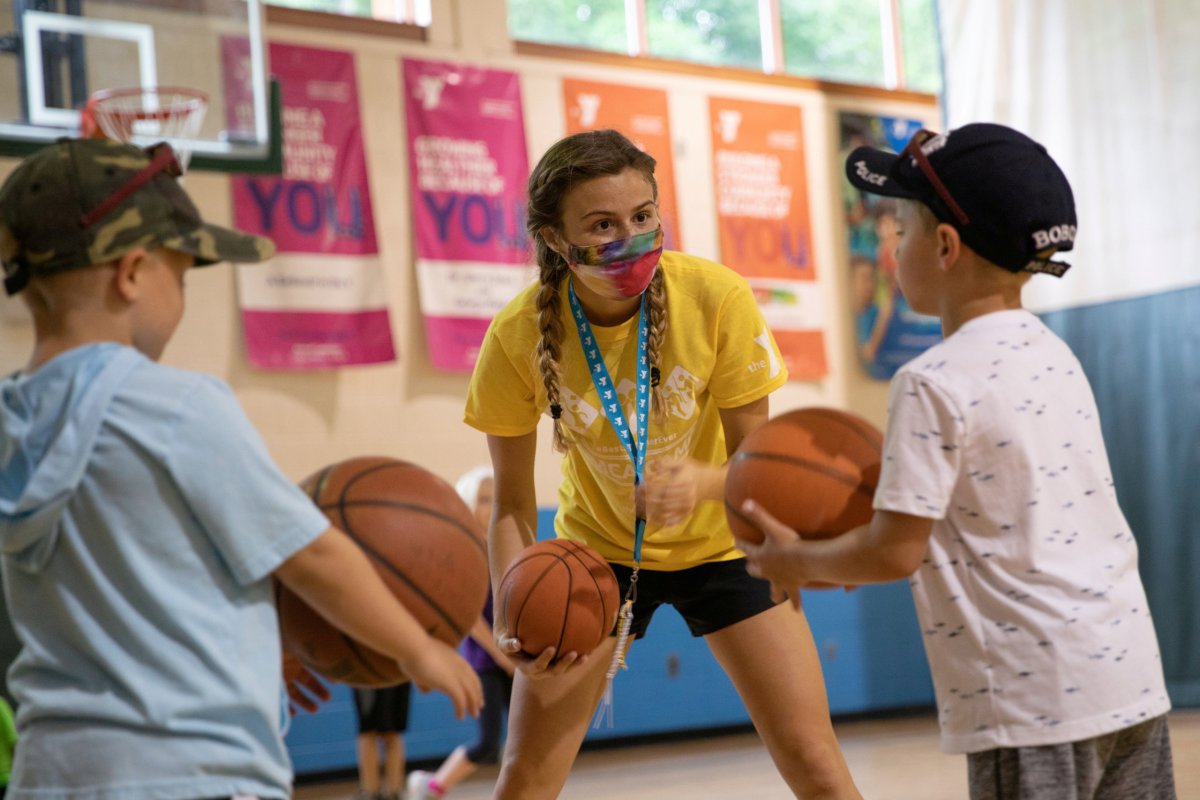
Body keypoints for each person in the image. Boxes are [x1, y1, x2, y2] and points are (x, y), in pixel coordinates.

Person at [0, 138, 482, 800]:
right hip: (196, 770)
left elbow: (138, 581)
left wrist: (256, 644)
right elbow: (314, 555)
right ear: (132, 272)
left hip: (54, 771)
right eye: (184, 272)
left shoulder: (11, 428)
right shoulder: (178, 408)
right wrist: (415, 648)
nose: (184, 292)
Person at [738, 123, 1176, 800]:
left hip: (1028, 699)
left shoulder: (932, 380)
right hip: (1129, 679)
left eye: (900, 230)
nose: (892, 247)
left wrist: (798, 562)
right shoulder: (1055, 355)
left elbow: (892, 553)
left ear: (944, 246)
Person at [463, 129, 861, 799]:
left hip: (726, 548)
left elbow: (755, 465)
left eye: (643, 215)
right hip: (596, 558)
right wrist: (512, 609)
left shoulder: (715, 298)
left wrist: (706, 487)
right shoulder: (516, 336)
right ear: (557, 240)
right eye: (603, 225)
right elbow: (508, 505)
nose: (633, 236)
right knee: (523, 778)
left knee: (815, 763)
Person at [408, 466, 517, 800]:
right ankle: (431, 786)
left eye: (495, 498)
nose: (491, 505)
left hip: (511, 656)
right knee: (487, 742)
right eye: (484, 498)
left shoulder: (505, 546)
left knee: (524, 741)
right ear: (468, 502)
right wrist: (499, 655)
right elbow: (470, 617)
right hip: (484, 660)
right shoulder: (463, 550)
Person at [353, 683, 411, 800]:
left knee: (389, 731)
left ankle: (390, 792)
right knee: (369, 730)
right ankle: (372, 792)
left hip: (396, 671)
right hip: (370, 673)